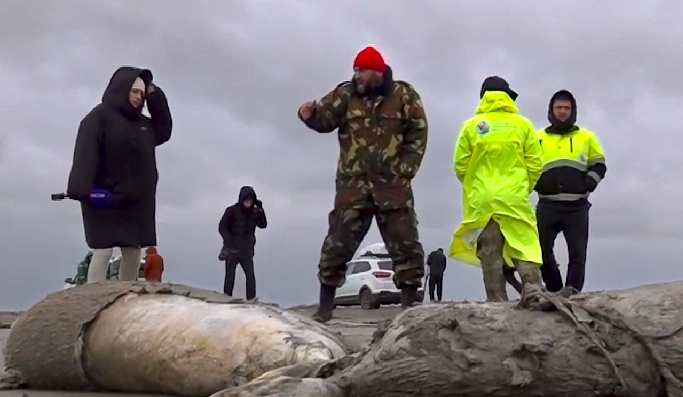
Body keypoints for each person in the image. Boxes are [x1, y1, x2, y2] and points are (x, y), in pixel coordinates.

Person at [298, 46, 428, 321]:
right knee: (337, 243)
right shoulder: (345, 95)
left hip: (392, 185)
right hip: (353, 185)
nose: (357, 75)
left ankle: (408, 305)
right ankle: (325, 308)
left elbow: (418, 131)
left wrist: (405, 170)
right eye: (355, 70)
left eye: (362, 70)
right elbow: (325, 119)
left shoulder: (404, 95)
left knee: (405, 242)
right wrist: (308, 115)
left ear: (377, 72)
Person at [66, 66, 172, 283]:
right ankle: (94, 295)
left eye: (142, 93)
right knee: (103, 249)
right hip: (104, 197)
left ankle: (127, 293)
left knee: (132, 250)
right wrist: (83, 191)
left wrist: (154, 94)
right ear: (121, 88)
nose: (138, 97)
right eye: (134, 91)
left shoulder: (144, 125)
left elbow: (164, 129)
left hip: (135, 200)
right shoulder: (98, 117)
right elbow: (86, 154)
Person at [449, 76, 546, 302]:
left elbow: (460, 165)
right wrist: (523, 187)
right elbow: (535, 163)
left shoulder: (471, 126)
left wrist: (476, 187)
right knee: (524, 245)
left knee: (490, 253)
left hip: (483, 199)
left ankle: (496, 302)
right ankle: (533, 291)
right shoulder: (523, 125)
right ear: (507, 97)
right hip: (514, 196)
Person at [532, 89, 606, 296]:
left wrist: (588, 183)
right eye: (559, 107)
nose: (563, 111)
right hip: (547, 205)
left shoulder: (587, 137)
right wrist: (537, 184)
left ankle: (572, 293)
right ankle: (555, 289)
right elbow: (525, 165)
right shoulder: (537, 138)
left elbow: (599, 164)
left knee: (577, 254)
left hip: (577, 207)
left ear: (573, 111)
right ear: (551, 110)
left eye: (567, 108)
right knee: (540, 251)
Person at [218, 186, 268, 300]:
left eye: (250, 201)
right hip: (232, 250)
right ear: (241, 199)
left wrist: (261, 210)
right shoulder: (231, 211)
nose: (248, 203)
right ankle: (226, 298)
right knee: (230, 277)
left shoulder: (254, 212)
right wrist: (228, 240)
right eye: (246, 200)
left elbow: (263, 225)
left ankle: (251, 300)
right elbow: (222, 227)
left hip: (247, 251)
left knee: (250, 277)